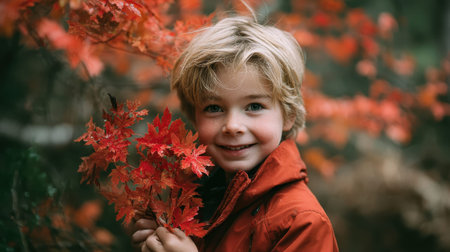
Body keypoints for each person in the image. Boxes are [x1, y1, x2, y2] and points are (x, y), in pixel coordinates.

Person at [128, 14, 339, 252]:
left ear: (288, 115)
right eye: (214, 108)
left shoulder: (301, 222)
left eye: (254, 106)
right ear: (194, 116)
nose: (232, 125)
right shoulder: (191, 200)